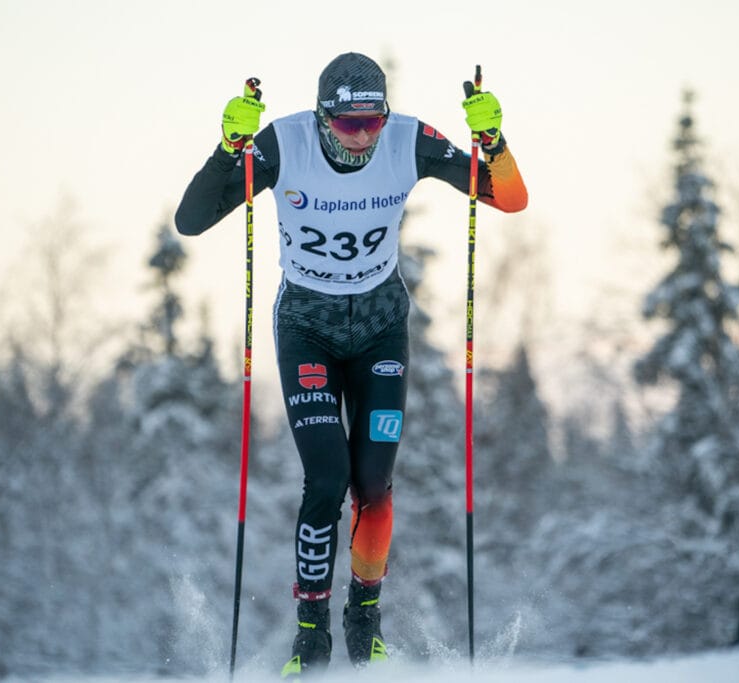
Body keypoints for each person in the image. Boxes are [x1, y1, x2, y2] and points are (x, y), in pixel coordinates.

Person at [175, 52, 527, 676]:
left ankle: (364, 623)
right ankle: (310, 636)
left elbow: (509, 197)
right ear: (322, 117)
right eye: (349, 125)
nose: (363, 137)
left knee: (374, 488)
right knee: (328, 477)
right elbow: (193, 219)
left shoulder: (408, 140)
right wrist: (230, 148)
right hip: (306, 327)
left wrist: (494, 142)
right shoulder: (284, 143)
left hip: (379, 328)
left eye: (373, 122)